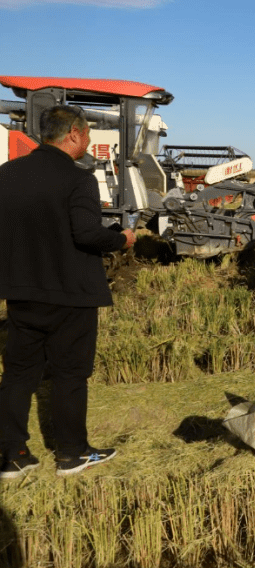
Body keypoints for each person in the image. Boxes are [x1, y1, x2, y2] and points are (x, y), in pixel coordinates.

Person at [0, 105, 136, 479]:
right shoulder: (79, 180)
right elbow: (87, 235)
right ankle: (72, 454)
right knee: (69, 375)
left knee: (18, 375)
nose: (89, 140)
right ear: (74, 134)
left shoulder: (6, 174)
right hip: (70, 294)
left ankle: (13, 456)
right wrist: (121, 238)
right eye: (88, 133)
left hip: (22, 294)